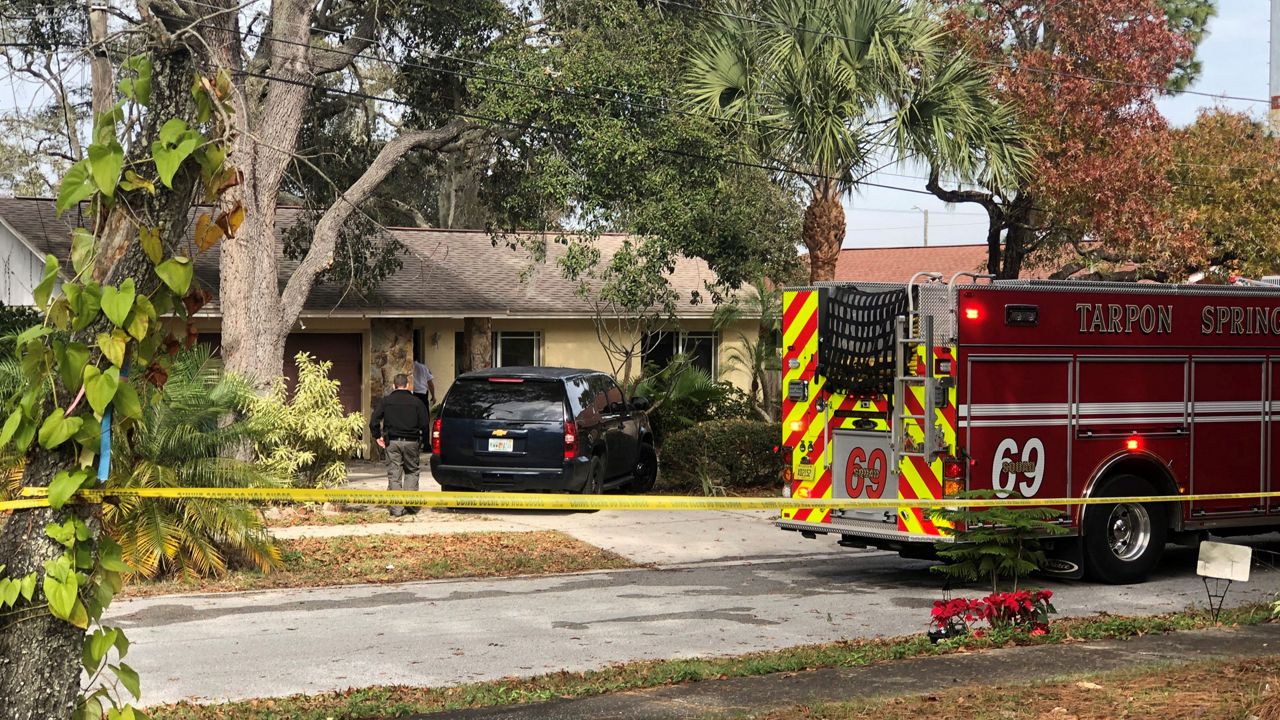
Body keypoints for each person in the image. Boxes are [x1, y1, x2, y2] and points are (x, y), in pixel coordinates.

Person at [370, 373, 429, 516]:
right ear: (408, 385)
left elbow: (374, 421)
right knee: (412, 471)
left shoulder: (386, 401)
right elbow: (425, 424)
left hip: (392, 442)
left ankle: (396, 509)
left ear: (393, 386)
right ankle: (410, 505)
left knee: (394, 474)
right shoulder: (417, 402)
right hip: (411, 442)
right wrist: (423, 441)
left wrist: (377, 436)